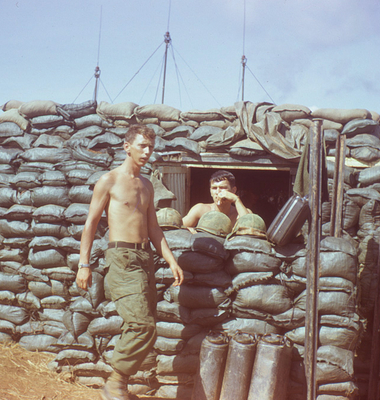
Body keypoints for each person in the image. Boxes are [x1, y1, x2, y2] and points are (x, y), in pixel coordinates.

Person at [76, 124, 184, 400]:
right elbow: (90, 224)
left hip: (144, 256)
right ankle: (115, 383)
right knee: (142, 326)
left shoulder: (147, 185)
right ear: (127, 147)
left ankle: (119, 384)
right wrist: (84, 264)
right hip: (121, 257)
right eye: (142, 146)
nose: (147, 152)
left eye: (151, 147)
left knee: (145, 324)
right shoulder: (109, 181)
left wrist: (171, 260)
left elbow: (154, 230)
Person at [182, 170, 252, 229]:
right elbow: (178, 227)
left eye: (222, 188)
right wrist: (193, 231)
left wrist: (236, 200)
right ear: (210, 191)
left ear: (233, 190)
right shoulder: (200, 209)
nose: (218, 192)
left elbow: (250, 229)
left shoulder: (241, 213)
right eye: (214, 188)